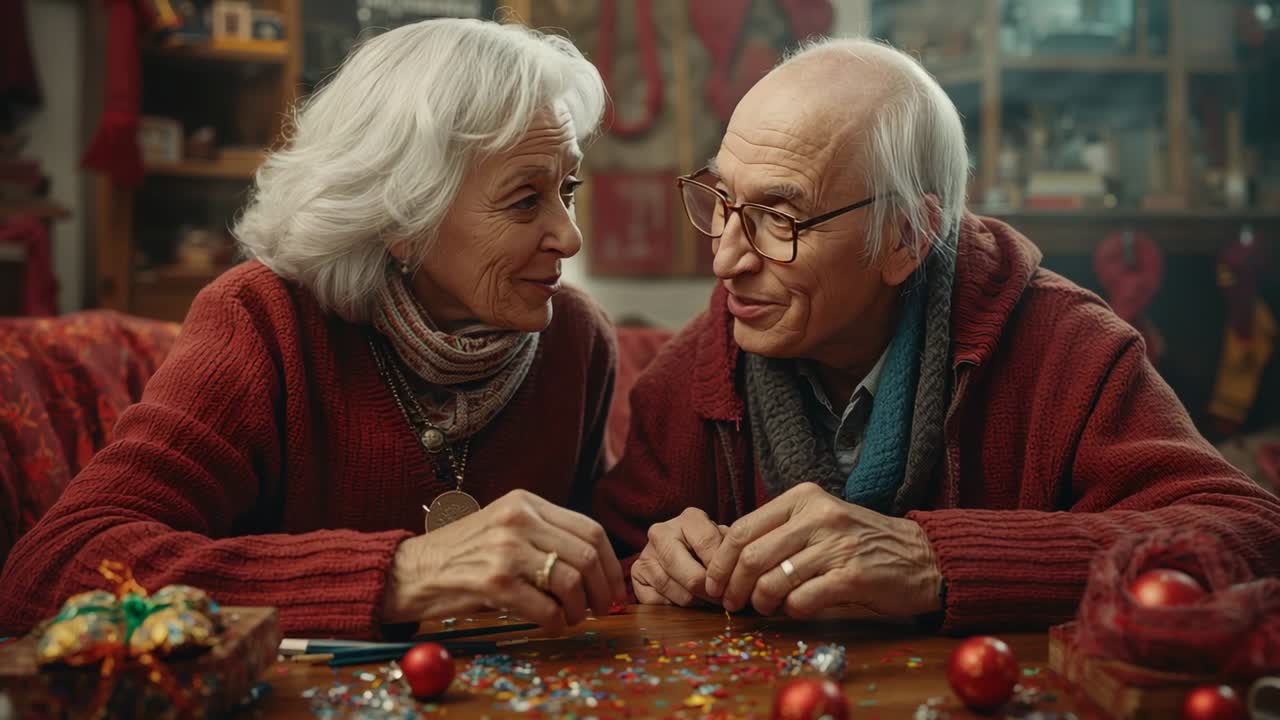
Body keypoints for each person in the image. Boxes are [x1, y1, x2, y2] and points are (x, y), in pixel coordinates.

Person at [595, 37, 1280, 631]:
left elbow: (1250, 535)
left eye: (780, 219)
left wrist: (937, 560)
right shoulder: (692, 373)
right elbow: (610, 561)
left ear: (906, 237)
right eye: (722, 200)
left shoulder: (1063, 346)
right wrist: (651, 565)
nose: (725, 259)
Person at [0, 18, 626, 639]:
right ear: (404, 216)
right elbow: (52, 570)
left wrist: (666, 559)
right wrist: (402, 573)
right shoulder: (264, 322)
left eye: (566, 190)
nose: (570, 236)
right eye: (524, 200)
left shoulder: (575, 338)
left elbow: (599, 556)